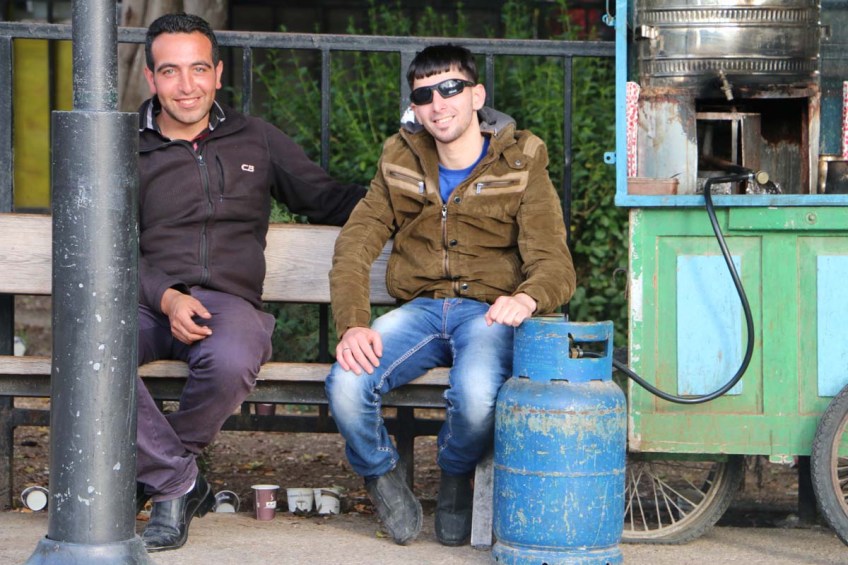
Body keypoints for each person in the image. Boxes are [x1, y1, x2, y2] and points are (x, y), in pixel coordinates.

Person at [325, 44, 576, 546]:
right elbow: (355, 246)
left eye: (451, 88)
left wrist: (526, 299)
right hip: (418, 312)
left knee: (478, 397)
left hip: (486, 314)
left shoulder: (522, 159)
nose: (438, 103)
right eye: (424, 94)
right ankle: (381, 475)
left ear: (476, 95)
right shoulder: (399, 159)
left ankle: (455, 474)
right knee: (346, 384)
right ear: (414, 108)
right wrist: (353, 322)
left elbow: (554, 260)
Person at [135, 13, 366, 552]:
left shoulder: (254, 138)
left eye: (198, 69)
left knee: (235, 357)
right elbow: (108, 246)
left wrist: (415, 195)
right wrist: (166, 297)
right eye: (170, 71)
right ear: (151, 78)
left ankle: (157, 477)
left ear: (218, 74)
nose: (186, 85)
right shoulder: (126, 146)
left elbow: (326, 197)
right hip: (146, 301)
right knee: (87, 354)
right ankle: (176, 484)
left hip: (227, 304)